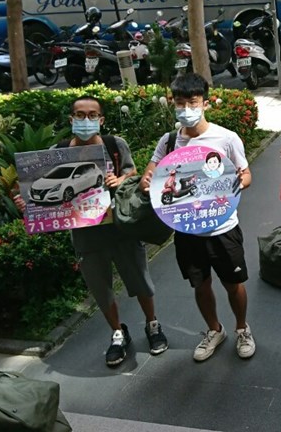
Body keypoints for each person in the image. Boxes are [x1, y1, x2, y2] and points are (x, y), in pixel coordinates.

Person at [13, 96, 168, 368]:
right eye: (80, 115)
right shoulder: (57, 151)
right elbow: (40, 192)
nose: (86, 120)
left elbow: (132, 172)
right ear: (71, 119)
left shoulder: (114, 145)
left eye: (92, 115)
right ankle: (118, 333)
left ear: (101, 119)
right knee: (100, 288)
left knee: (140, 280)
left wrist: (120, 179)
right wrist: (26, 204)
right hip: (85, 234)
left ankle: (152, 325)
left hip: (121, 227)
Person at [140, 73, 255, 362]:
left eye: (193, 102)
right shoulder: (168, 142)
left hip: (223, 227)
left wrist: (237, 184)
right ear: (173, 104)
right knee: (200, 284)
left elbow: (246, 173)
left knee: (233, 284)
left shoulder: (226, 138)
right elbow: (150, 175)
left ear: (205, 103)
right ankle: (215, 330)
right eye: (181, 103)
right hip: (187, 231)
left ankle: (242, 328)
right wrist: (147, 183)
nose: (187, 109)